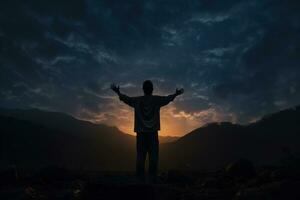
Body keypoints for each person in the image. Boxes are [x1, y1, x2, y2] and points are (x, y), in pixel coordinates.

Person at [111, 80, 184, 183]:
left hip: (141, 134)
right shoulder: (156, 100)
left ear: (143, 89)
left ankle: (140, 181)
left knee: (140, 157)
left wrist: (117, 92)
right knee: (153, 158)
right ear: (152, 89)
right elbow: (168, 99)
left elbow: (126, 99)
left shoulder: (137, 101)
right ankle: (152, 180)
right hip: (153, 134)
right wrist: (176, 94)